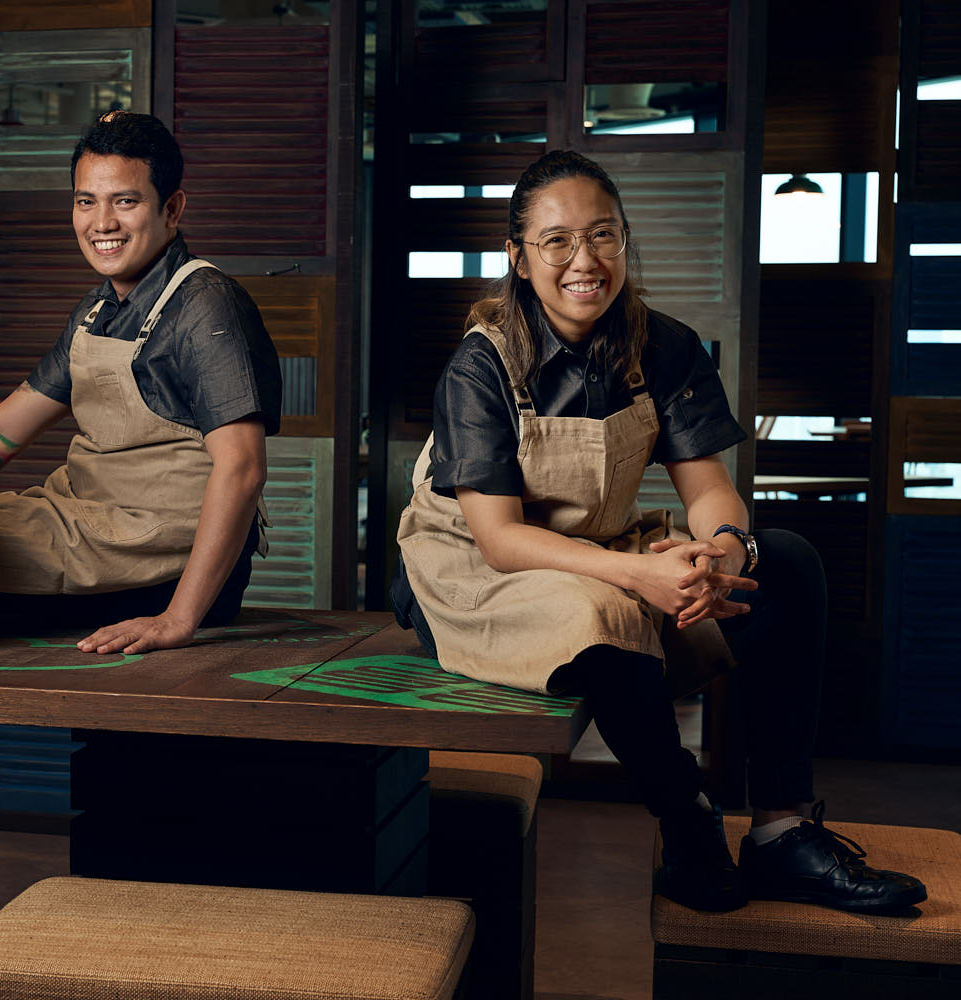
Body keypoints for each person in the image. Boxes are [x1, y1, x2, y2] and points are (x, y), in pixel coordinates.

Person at [391, 149, 926, 914]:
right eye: (557, 242)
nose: (585, 261)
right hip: (473, 566)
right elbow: (502, 539)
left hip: (591, 550)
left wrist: (722, 552)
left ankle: (780, 831)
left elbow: (708, 489)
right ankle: (688, 822)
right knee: (599, 610)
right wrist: (639, 574)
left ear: (623, 240)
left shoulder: (665, 346)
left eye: (602, 235)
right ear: (518, 257)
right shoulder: (481, 366)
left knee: (785, 561)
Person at [0, 110, 281, 655]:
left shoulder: (207, 305)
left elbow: (243, 469)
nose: (102, 223)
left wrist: (177, 620)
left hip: (159, 557)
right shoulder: (96, 310)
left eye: (125, 201)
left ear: (171, 209)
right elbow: (6, 427)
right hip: (87, 522)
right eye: (85, 201)